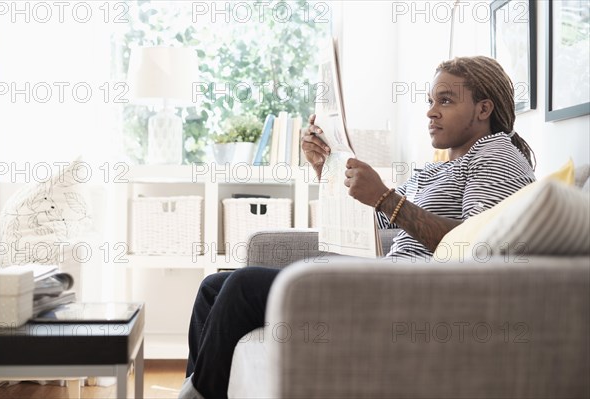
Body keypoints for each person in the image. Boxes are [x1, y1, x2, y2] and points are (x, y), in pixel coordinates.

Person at [179, 55, 536, 399]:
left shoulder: (496, 154)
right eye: (430, 100)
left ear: (483, 109)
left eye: (445, 100)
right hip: (388, 277)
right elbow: (376, 223)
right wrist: (327, 170)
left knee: (242, 286)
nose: (430, 111)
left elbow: (476, 246)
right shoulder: (437, 167)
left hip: (418, 295)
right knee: (213, 287)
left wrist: (386, 198)